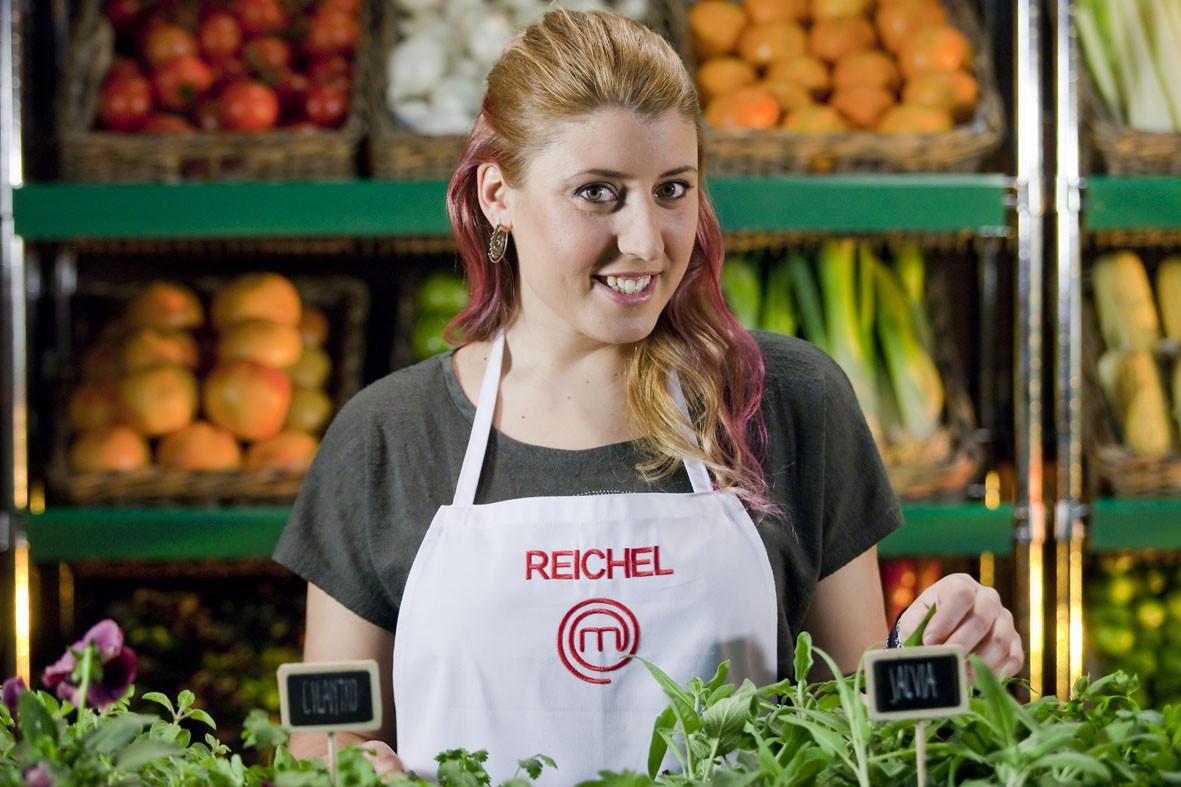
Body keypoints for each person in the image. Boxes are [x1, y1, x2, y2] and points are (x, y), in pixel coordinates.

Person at [273, 8, 1023, 784]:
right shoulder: (386, 436)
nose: (645, 241)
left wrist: (938, 660)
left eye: (672, 190)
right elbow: (323, 738)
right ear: (497, 194)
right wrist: (350, 766)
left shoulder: (787, 402)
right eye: (597, 192)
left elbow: (862, 728)